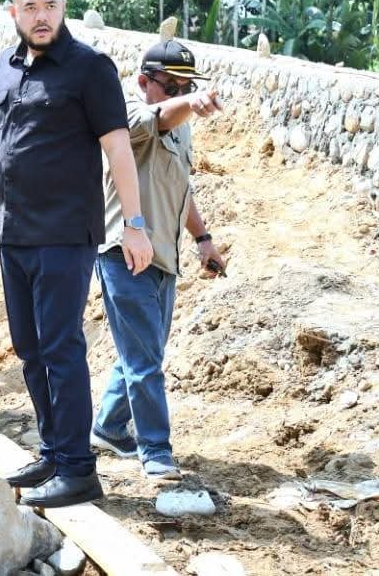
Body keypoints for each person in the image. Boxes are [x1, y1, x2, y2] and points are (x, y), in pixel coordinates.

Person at [0, 0, 153, 508]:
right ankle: (55, 452)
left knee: (61, 347)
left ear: (63, 8)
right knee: (30, 350)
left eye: (50, 6)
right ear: (14, 11)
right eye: (30, 7)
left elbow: (118, 149)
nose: (41, 16)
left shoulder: (89, 69)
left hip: (66, 234)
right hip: (13, 235)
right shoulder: (5, 69)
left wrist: (134, 224)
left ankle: (80, 468)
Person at [92, 38, 226, 481]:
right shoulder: (124, 117)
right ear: (143, 82)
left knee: (143, 351)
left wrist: (203, 239)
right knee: (145, 359)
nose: (179, 93)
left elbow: (180, 189)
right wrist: (189, 101)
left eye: (187, 85)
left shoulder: (181, 125)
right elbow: (159, 116)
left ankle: (110, 427)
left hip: (164, 259)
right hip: (123, 254)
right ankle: (156, 450)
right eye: (171, 85)